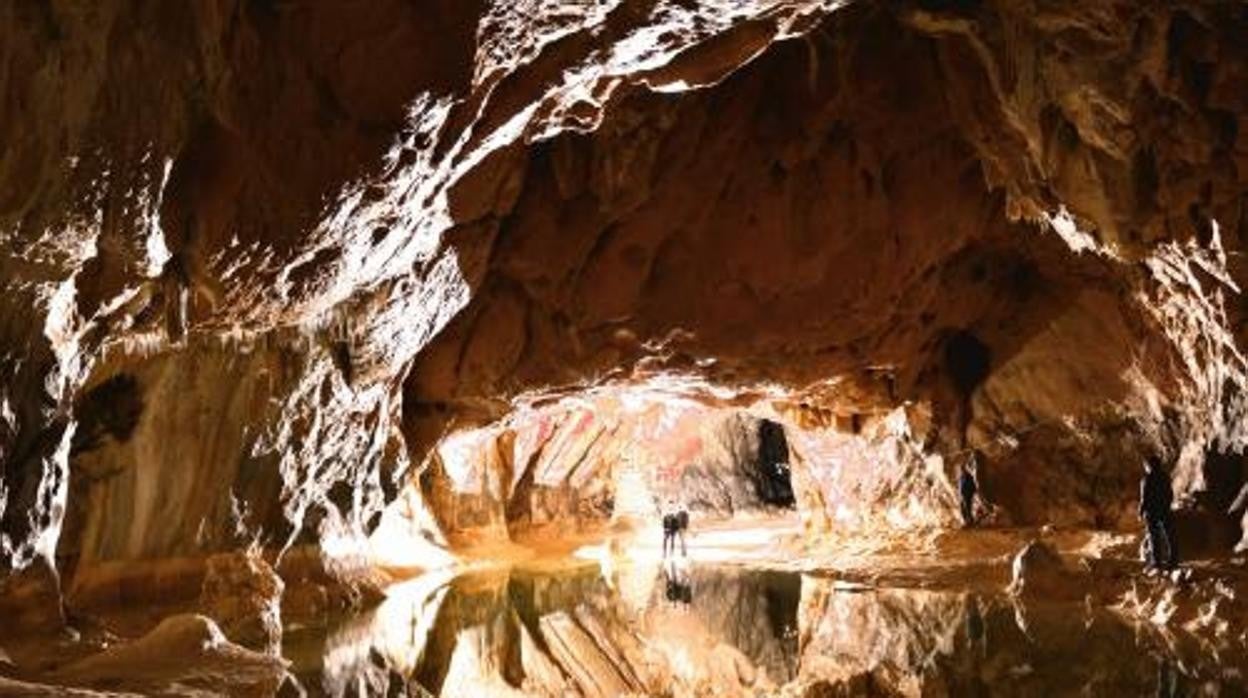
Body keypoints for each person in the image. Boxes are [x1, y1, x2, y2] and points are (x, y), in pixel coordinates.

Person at [1140, 456, 1178, 570]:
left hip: (1152, 511)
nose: (1145, 468)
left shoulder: (1147, 479)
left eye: (1145, 466)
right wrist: (1167, 506)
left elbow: (1144, 497)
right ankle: (1173, 561)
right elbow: (1170, 494)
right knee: (1169, 535)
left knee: (1154, 536)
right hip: (1164, 510)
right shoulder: (1165, 477)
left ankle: (1156, 562)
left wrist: (1141, 511)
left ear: (1149, 466)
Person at [959, 453, 979, 527]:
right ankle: (967, 521)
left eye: (962, 468)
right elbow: (961, 486)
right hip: (963, 495)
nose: (962, 470)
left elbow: (973, 486)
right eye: (961, 469)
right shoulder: (962, 476)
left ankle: (970, 522)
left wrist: (971, 493)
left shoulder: (968, 476)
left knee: (968, 509)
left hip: (967, 495)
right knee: (963, 508)